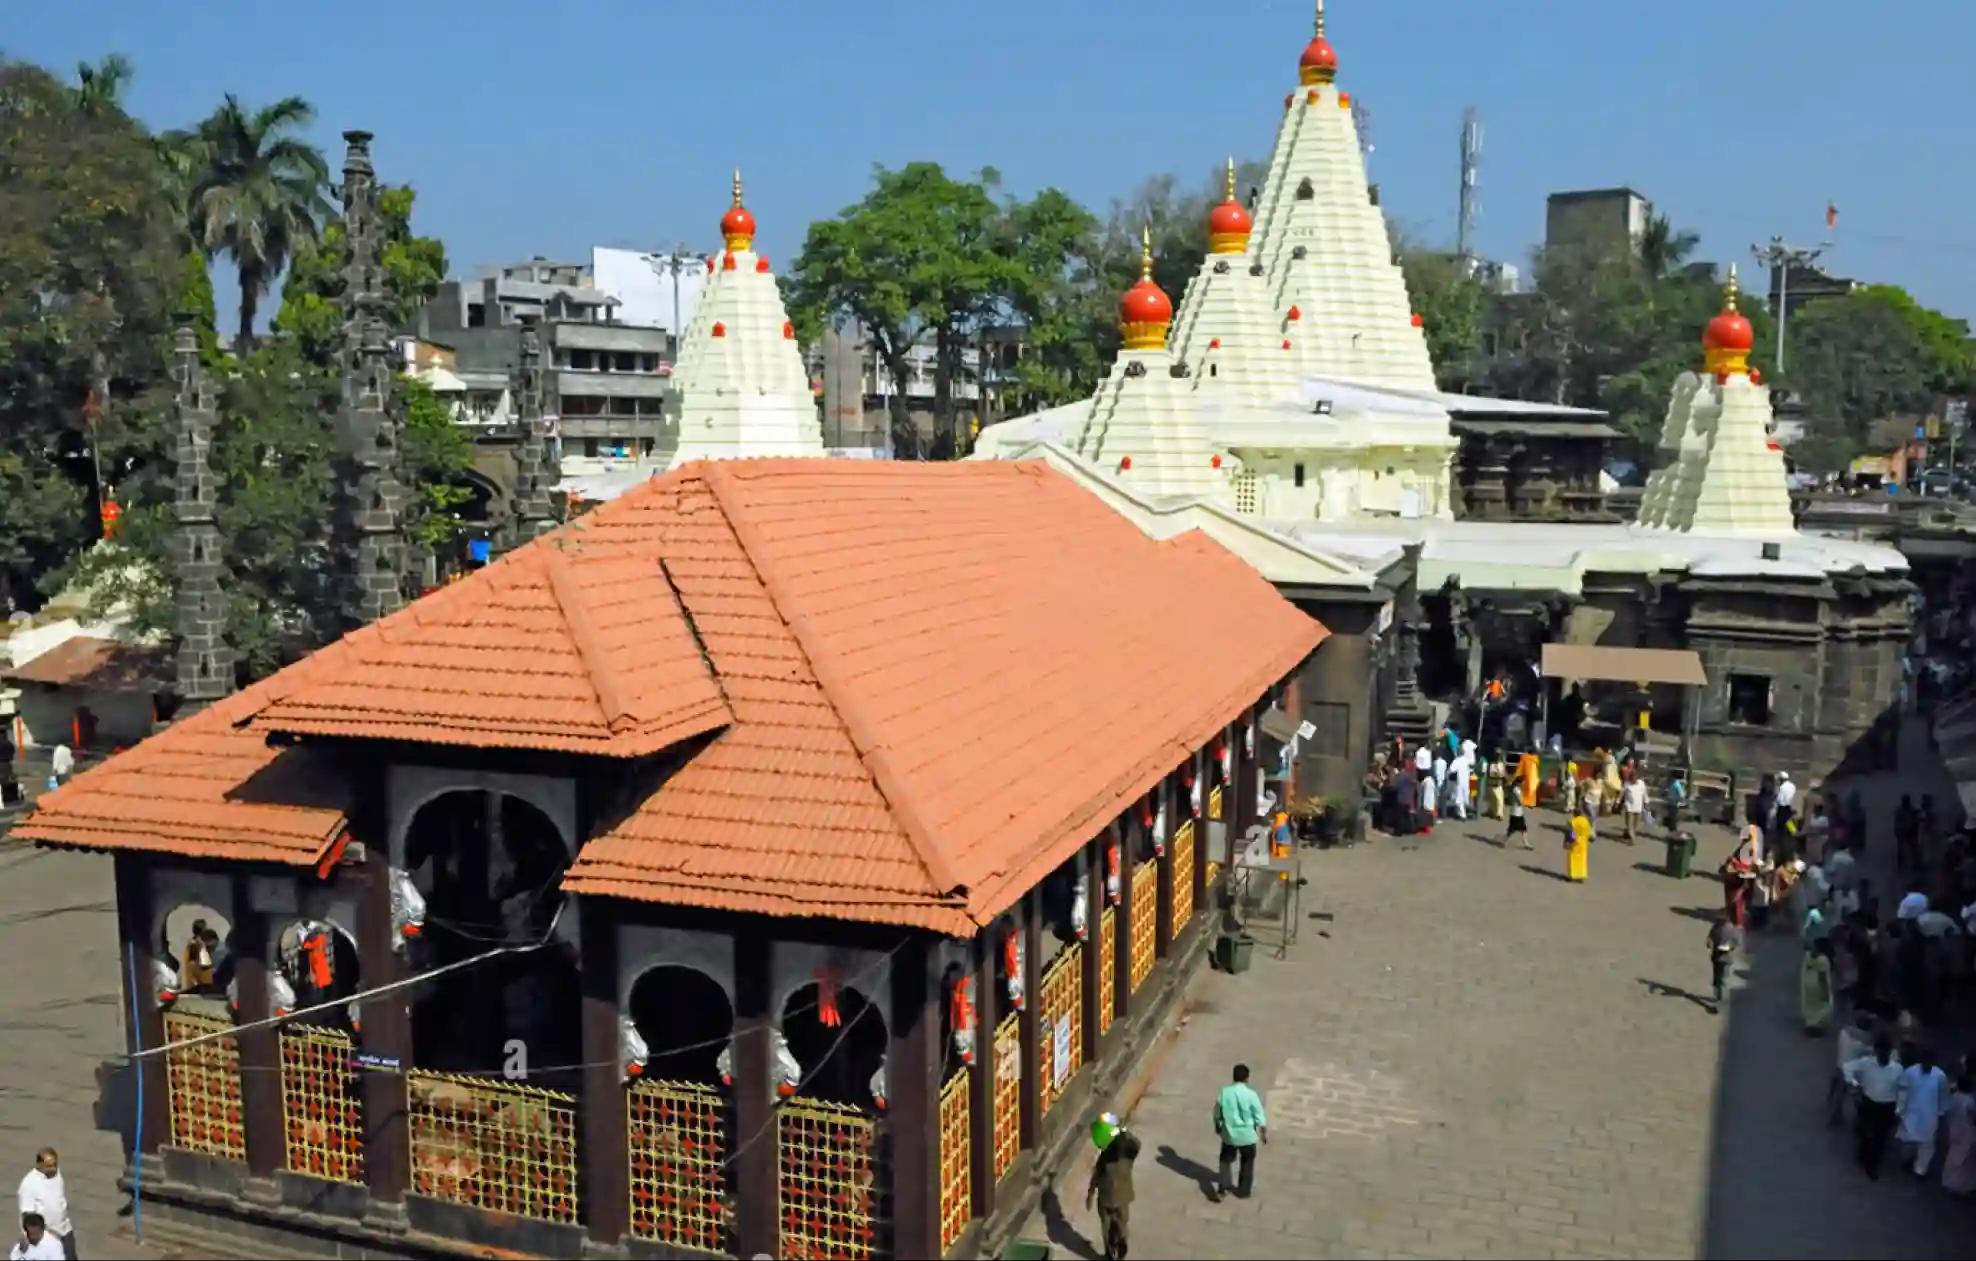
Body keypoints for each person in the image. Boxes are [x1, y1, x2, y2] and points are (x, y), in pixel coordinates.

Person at [1844, 1036, 1903, 1179]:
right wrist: (1854, 1084)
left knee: (1880, 1137)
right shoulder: (1867, 1063)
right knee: (1867, 1132)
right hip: (1869, 1102)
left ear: (1890, 1052)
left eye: (1886, 1052)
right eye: (1880, 1052)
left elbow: (1902, 1090)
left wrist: (1899, 1110)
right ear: (1876, 1051)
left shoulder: (1897, 1069)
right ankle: (1864, 1153)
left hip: (1887, 1105)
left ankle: (1871, 1164)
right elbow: (1847, 1067)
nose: (1883, 1055)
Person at [1212, 1064, 1267, 1201]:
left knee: (1225, 1160)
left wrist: (1218, 1126)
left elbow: (1217, 1113)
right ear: (1247, 1078)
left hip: (1229, 1135)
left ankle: (1223, 1188)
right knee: (1247, 1161)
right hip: (1247, 1135)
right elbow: (1260, 1116)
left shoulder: (1224, 1092)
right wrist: (1263, 1134)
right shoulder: (1251, 1095)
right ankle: (1243, 1191)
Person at [1085, 1127, 1140, 1259]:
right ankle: (1122, 1241)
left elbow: (1095, 1178)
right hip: (1123, 1198)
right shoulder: (1128, 1161)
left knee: (1106, 1225)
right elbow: (1137, 1144)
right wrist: (1125, 1132)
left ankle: (1109, 1252)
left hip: (1106, 1198)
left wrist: (1090, 1195)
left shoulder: (1104, 1161)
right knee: (1122, 1223)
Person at [1897, 1045, 1950, 1177]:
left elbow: (1943, 1096)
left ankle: (1920, 1170)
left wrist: (1942, 1113)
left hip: (1930, 1115)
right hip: (1911, 1113)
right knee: (1908, 1141)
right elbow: (1902, 1091)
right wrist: (1900, 1109)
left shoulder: (1940, 1076)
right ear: (1921, 1059)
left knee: (1927, 1145)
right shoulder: (1910, 1072)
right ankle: (1907, 1162)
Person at [14, 1148, 70, 1261]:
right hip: (45, 1236)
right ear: (39, 1164)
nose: (54, 1168)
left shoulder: (56, 1173)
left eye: (55, 1164)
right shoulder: (28, 1185)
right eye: (49, 1166)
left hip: (65, 1230)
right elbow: (28, 1216)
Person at [1830, 1012, 1875, 1125]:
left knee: (1839, 1092)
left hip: (1840, 1066)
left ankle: (1835, 1113)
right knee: (1857, 1096)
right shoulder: (1865, 1042)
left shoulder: (1844, 1032)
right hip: (1852, 1074)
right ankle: (1861, 1119)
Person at [1943, 1068, 1976, 1195]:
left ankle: (1948, 1182)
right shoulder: (1969, 1101)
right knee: (1965, 1160)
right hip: (1967, 1133)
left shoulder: (1954, 1097)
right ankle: (1960, 1187)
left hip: (1954, 1130)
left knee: (1953, 1156)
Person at [1801, 939, 1836, 1033]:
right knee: (1821, 1006)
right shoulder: (1823, 960)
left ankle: (1810, 1023)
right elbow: (1822, 977)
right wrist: (1825, 992)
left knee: (1810, 1004)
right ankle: (1817, 1026)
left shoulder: (1808, 956)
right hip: (1818, 985)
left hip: (1808, 982)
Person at [1707, 914, 1740, 1007]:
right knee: (1717, 979)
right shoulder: (1715, 927)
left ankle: (1721, 1001)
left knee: (1722, 980)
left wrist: (1729, 947)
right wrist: (1709, 943)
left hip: (1725, 958)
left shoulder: (1732, 929)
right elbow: (1710, 938)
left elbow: (1736, 942)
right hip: (1716, 957)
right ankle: (1719, 996)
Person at [183, 920, 214, 990]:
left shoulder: (190, 945)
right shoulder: (196, 945)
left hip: (194, 984)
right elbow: (204, 965)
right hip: (200, 986)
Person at [1565, 805, 1592, 883]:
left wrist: (1568, 842)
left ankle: (1573, 876)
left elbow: (1571, 833)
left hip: (1574, 844)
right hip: (1583, 843)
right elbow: (1589, 832)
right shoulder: (1585, 821)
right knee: (1582, 860)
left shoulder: (1573, 821)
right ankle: (1581, 876)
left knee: (1573, 860)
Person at [1896, 794, 1921, 872]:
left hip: (1908, 831)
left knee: (1911, 849)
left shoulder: (1906, 810)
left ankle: (1912, 865)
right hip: (1905, 831)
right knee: (1907, 849)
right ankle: (1905, 864)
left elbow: (1916, 821)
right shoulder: (1910, 810)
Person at [1621, 772, 1647, 846]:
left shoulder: (1641, 784)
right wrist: (1617, 802)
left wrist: (1646, 801)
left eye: (1635, 778)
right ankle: (1632, 838)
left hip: (1638, 806)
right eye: (1632, 778)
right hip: (1629, 806)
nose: (1633, 780)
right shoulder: (1627, 784)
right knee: (1629, 823)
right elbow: (1622, 793)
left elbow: (1644, 794)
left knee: (1636, 824)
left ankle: (1629, 833)